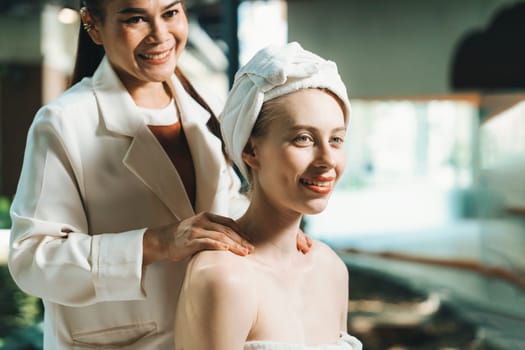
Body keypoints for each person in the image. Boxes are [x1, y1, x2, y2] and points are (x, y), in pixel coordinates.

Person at [7, 1, 310, 348]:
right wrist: (157, 242)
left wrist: (267, 226)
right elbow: (32, 261)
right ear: (92, 24)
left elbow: (226, 208)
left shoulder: (209, 108)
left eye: (170, 13)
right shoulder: (63, 122)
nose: (160, 35)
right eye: (135, 18)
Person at [174, 42, 363, 350]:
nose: (327, 159)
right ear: (251, 150)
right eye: (303, 138)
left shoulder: (330, 268)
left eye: (336, 139)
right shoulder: (223, 277)